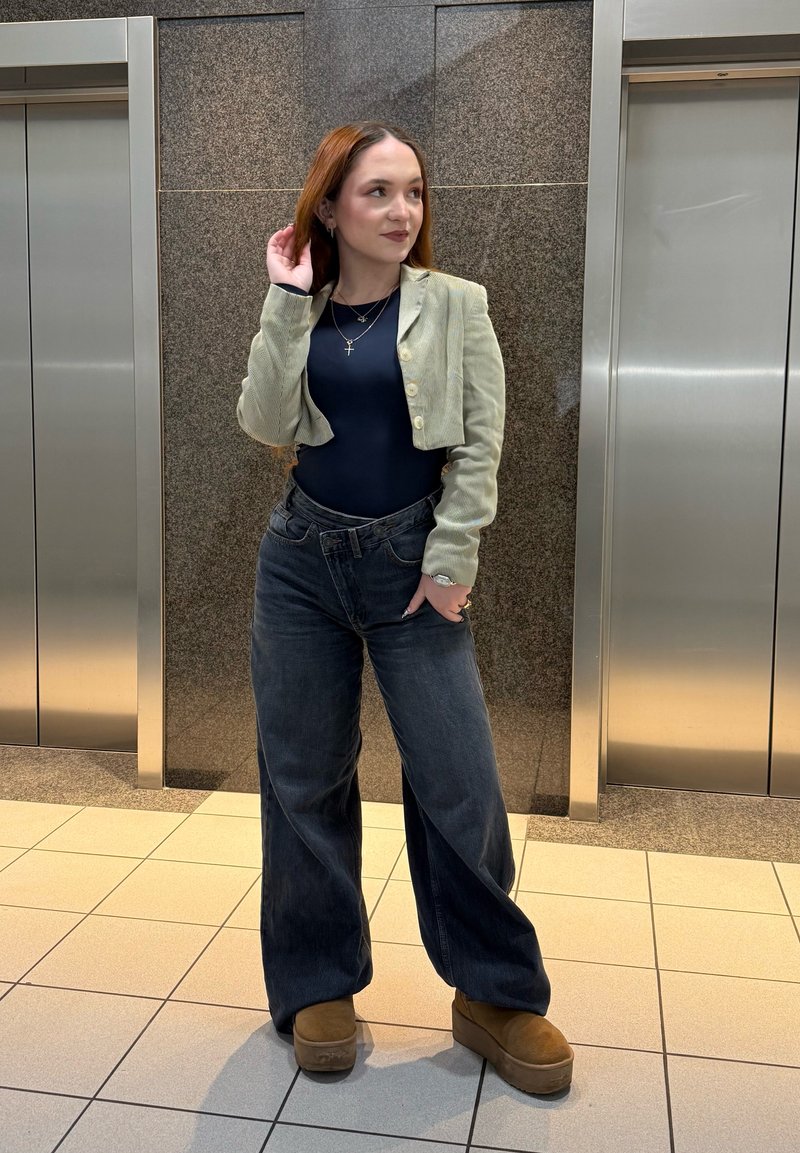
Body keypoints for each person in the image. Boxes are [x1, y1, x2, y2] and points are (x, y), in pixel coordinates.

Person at [237, 121, 573, 1096]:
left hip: (410, 565)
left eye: (413, 193)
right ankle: (316, 983)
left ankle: (493, 991)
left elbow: (479, 440)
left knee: (457, 781)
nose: (400, 212)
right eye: (377, 193)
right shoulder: (299, 309)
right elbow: (264, 420)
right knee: (303, 778)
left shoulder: (455, 305)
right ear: (331, 207)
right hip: (299, 563)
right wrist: (280, 295)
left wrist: (452, 556)